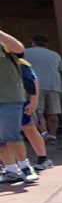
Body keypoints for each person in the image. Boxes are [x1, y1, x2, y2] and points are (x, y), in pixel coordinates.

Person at [0, 25, 36, 184]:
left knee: (11, 134)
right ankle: (10, 169)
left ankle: (25, 166)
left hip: (10, 97)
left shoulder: (4, 46)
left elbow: (19, 48)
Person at [22, 34, 62, 142]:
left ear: (33, 42)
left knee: (37, 112)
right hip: (54, 86)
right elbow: (60, 69)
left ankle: (44, 133)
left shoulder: (25, 53)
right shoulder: (55, 55)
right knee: (53, 113)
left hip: (35, 86)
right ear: (47, 44)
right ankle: (53, 135)